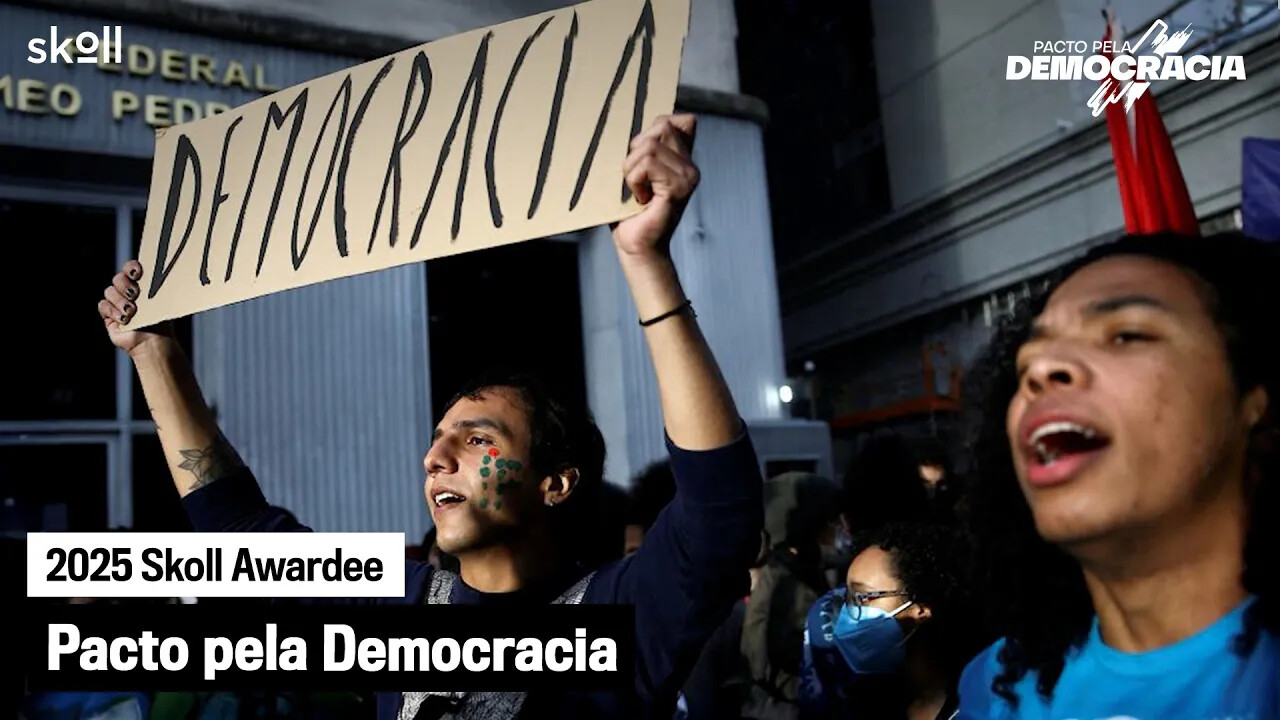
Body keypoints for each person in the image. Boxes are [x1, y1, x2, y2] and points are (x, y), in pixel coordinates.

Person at [95, 114, 765, 720]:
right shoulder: (403, 607)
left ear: (556, 482)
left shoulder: (626, 614)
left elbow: (719, 508)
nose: (434, 459)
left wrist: (646, 261)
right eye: (438, 438)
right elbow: (242, 536)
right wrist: (153, 354)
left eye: (476, 439)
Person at [956, 231, 1280, 717]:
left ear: (1255, 399)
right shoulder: (996, 690)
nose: (1043, 369)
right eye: (1028, 361)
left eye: (1127, 335)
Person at [799, 522, 980, 720]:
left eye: (862, 597)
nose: (846, 613)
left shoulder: (980, 703)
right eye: (847, 598)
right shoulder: (864, 699)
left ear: (921, 610)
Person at [740, 472, 842, 720]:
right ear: (809, 528)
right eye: (829, 521)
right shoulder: (788, 586)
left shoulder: (797, 571)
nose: (837, 527)